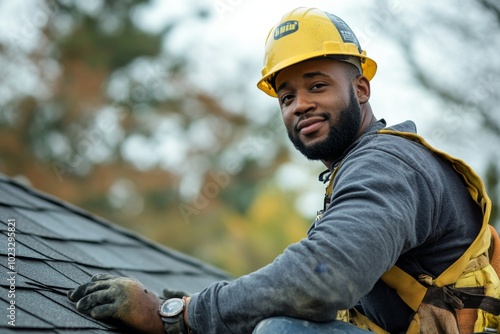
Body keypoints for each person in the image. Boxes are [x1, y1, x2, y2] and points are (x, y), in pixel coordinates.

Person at [67, 7, 500, 334]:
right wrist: (200, 305)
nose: (300, 105)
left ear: (361, 88)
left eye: (317, 85)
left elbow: (322, 278)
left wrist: (178, 317)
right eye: (286, 97)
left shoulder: (386, 166)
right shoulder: (366, 167)